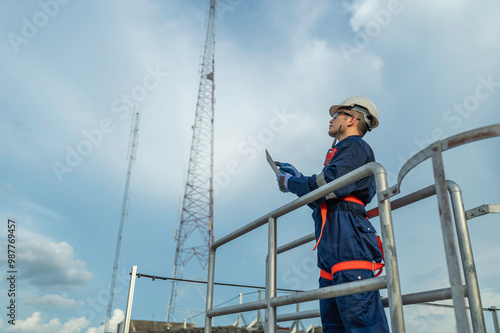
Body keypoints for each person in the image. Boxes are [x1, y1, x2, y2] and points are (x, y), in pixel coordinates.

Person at [275, 96, 389, 332]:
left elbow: (331, 184)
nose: (331, 118)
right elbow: (325, 197)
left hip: (349, 241)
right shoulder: (344, 151)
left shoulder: (354, 146)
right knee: (334, 326)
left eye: (337, 114)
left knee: (362, 322)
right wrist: (297, 179)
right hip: (335, 246)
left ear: (352, 119)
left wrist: (293, 182)